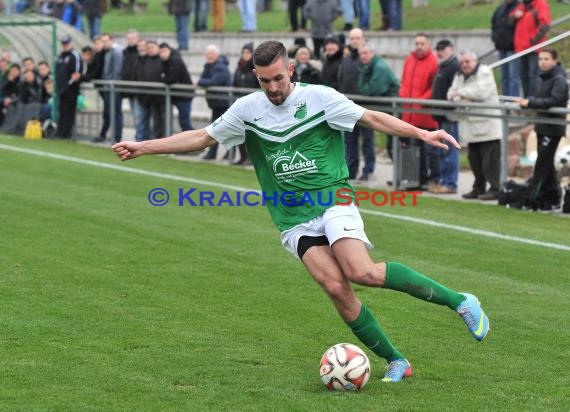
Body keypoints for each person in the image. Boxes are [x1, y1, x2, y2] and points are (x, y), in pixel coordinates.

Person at [112, 41, 490, 383]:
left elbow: (371, 118)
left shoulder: (321, 98)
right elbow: (201, 137)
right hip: (291, 215)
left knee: (362, 271)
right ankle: (396, 361)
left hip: (332, 199)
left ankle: (460, 301)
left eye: (278, 78)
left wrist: (422, 134)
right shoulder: (247, 110)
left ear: (291, 70)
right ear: (255, 77)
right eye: (264, 81)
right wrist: (144, 146)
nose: (273, 88)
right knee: (336, 288)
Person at [515, 49, 568, 212]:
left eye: (546, 59)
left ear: (554, 60)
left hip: (553, 129)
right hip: (541, 126)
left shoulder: (559, 79)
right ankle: (553, 199)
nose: (542, 62)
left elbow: (555, 100)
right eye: (540, 59)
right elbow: (540, 99)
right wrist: (530, 101)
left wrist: (530, 102)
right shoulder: (541, 78)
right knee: (547, 165)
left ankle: (533, 199)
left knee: (542, 164)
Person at [448, 51, 501, 201]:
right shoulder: (459, 75)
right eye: (462, 62)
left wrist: (461, 93)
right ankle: (478, 187)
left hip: (487, 126)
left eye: (468, 62)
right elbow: (450, 94)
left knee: (490, 162)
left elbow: (481, 93)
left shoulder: (485, 72)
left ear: (475, 61)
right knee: (475, 161)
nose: (465, 65)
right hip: (470, 126)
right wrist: (463, 96)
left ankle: (495, 189)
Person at [399, 33, 439, 188]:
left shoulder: (433, 62)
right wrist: (403, 95)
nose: (419, 46)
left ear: (428, 44)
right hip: (409, 113)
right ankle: (412, 179)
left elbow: (432, 87)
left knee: (427, 149)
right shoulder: (409, 59)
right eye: (417, 43)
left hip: (424, 114)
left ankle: (430, 179)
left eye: (422, 43)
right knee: (409, 146)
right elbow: (404, 81)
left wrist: (420, 102)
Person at [357, 42, 399, 179]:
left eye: (365, 53)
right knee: (392, 144)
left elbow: (372, 90)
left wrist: (363, 88)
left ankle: (401, 178)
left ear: (372, 53)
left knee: (396, 144)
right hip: (387, 109)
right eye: (360, 54)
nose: (362, 56)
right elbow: (363, 88)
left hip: (394, 109)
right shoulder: (368, 66)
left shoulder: (379, 67)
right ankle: (399, 177)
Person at [338, 28, 373, 180]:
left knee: (367, 140)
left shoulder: (367, 58)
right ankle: (351, 171)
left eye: (357, 38)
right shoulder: (346, 59)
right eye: (352, 38)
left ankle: (368, 171)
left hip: (365, 106)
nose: (354, 41)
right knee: (350, 141)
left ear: (363, 38)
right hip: (349, 105)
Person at [430, 39, 460, 195]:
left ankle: (450, 183)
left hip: (449, 115)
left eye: (442, 48)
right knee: (443, 151)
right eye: (438, 49)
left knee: (449, 151)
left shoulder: (454, 66)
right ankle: (444, 181)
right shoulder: (443, 65)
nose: (439, 52)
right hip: (441, 114)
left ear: (451, 48)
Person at [509, 0, 551, 97]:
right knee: (524, 76)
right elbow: (510, 22)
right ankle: (526, 100)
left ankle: (533, 101)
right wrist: (515, 16)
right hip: (521, 48)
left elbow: (545, 25)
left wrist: (533, 40)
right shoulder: (522, 5)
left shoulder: (540, 3)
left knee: (534, 76)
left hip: (534, 48)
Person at [197, 44, 231, 159]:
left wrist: (201, 81)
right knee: (216, 130)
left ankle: (221, 153)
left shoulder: (220, 67)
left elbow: (214, 81)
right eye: (207, 54)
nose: (209, 56)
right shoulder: (208, 66)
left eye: (211, 54)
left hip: (223, 103)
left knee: (221, 130)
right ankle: (217, 153)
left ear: (217, 54)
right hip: (216, 103)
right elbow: (205, 79)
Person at [231, 42, 258, 165]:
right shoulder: (239, 67)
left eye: (248, 52)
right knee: (239, 132)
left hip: (253, 106)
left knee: (251, 134)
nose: (245, 55)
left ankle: (251, 158)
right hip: (240, 105)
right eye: (244, 52)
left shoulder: (256, 68)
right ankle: (242, 157)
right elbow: (234, 84)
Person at [159, 42, 194, 134]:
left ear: (169, 50)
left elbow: (172, 78)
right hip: (176, 95)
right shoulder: (165, 61)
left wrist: (161, 79)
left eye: (164, 51)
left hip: (184, 95)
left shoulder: (175, 60)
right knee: (180, 121)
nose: (162, 54)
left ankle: (195, 143)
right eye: (160, 52)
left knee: (184, 121)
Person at [95, 33, 123, 143]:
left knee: (116, 113)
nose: (104, 43)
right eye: (103, 41)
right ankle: (114, 138)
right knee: (111, 114)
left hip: (113, 88)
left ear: (111, 40)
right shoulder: (107, 52)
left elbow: (117, 71)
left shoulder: (116, 52)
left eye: (106, 41)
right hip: (107, 88)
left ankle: (117, 139)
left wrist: (112, 84)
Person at [491, 0, 520, 97]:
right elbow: (494, 25)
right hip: (501, 48)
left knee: (514, 77)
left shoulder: (519, 7)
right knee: (504, 77)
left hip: (513, 48)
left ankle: (513, 102)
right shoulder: (500, 9)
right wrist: (495, 39)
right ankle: (505, 101)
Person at [55, 35, 82, 139]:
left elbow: (76, 74)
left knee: (69, 112)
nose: (65, 45)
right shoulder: (61, 56)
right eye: (63, 43)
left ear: (71, 43)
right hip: (61, 89)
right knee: (61, 111)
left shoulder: (74, 55)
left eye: (66, 43)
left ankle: (66, 134)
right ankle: (60, 132)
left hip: (70, 90)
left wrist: (67, 86)